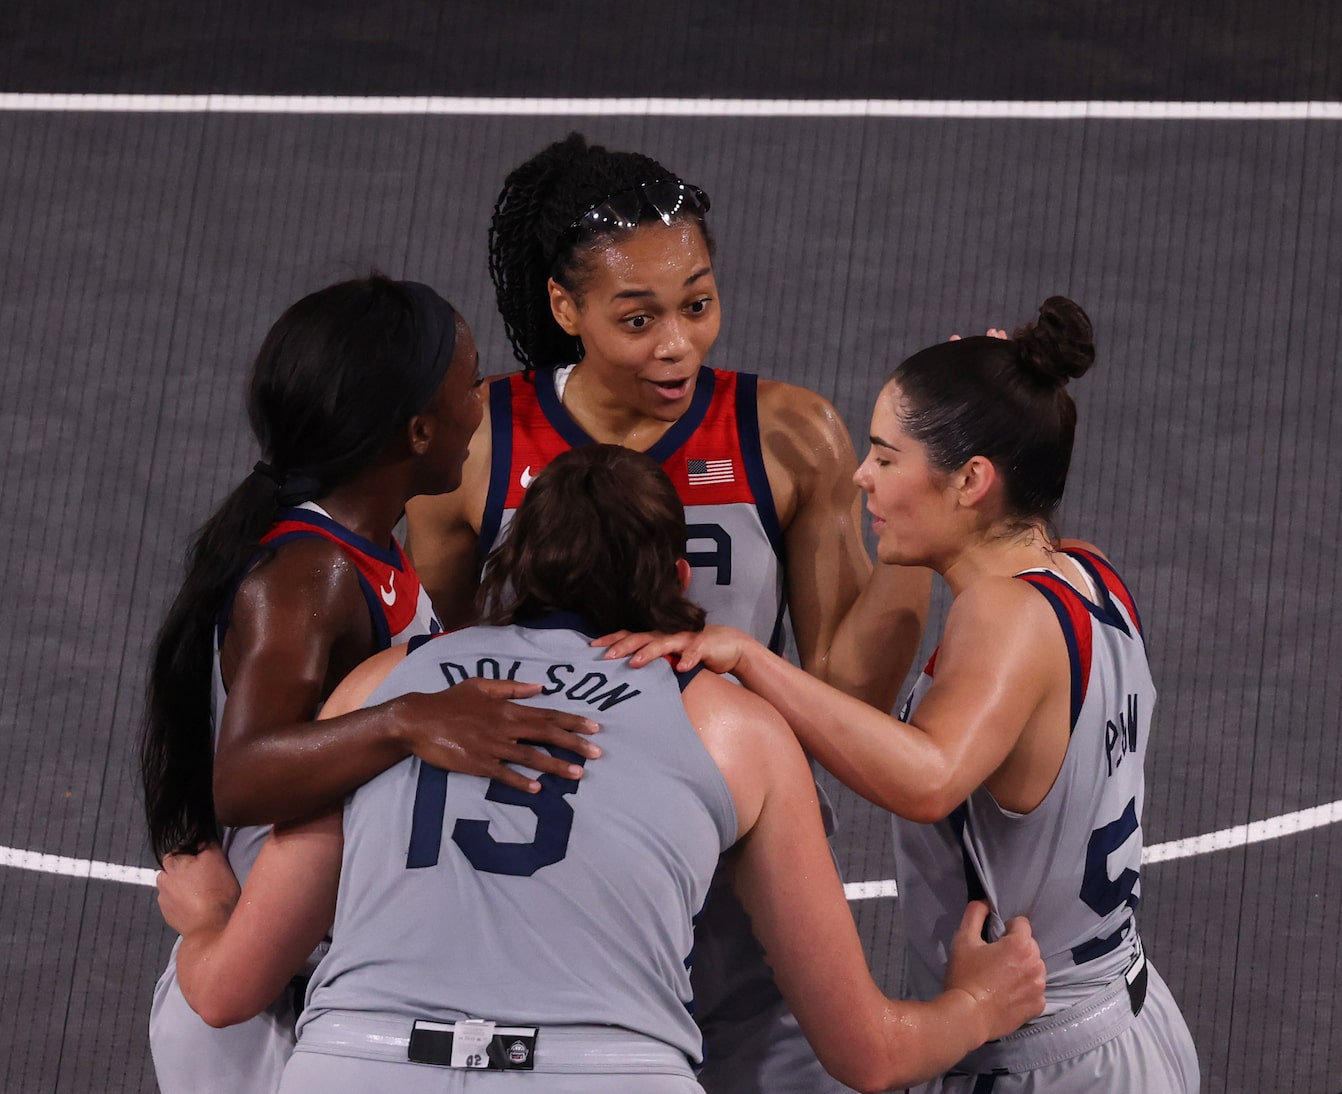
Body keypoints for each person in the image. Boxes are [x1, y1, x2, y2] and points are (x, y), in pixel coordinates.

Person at [156, 445, 1046, 1094]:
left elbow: (230, 989)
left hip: (364, 1066)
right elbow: (868, 1053)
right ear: (673, 574)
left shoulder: (384, 687)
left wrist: (205, 918)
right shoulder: (734, 728)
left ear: (513, 567)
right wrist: (981, 1005)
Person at [405, 133, 932, 1091]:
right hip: (563, 882)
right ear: (565, 308)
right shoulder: (477, 445)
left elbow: (847, 693)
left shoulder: (788, 434)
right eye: (637, 318)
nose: (678, 343)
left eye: (697, 304)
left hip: (745, 873)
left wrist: (922, 542)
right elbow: (438, 664)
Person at [598, 299, 1201, 1093]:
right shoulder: (1084, 573)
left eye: (887, 456)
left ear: (972, 481)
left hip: (1044, 1060)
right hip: (1125, 1021)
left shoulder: (1004, 614)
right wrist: (1001, 398)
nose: (861, 476)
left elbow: (928, 776)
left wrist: (748, 659)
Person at [142, 276, 602, 1094]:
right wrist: (405, 721)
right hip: (265, 1011)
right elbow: (246, 777)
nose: (485, 398)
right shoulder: (311, 574)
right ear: (420, 431)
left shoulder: (363, 553)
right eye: (471, 385)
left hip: (311, 985)